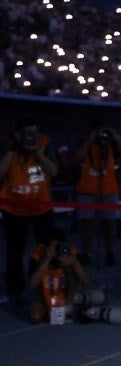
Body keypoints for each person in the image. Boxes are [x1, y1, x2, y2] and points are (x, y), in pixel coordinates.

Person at [1, 117, 58, 306]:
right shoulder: (7, 144)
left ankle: (44, 285)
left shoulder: (44, 143)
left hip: (41, 206)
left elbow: (53, 171)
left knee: (44, 249)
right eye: (27, 134)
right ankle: (15, 290)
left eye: (34, 133)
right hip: (14, 208)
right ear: (17, 134)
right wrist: (12, 150)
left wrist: (38, 153)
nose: (31, 137)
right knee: (15, 251)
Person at [75, 124, 121, 267]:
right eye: (98, 133)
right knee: (86, 225)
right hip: (86, 190)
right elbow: (78, 156)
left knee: (110, 224)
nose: (101, 136)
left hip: (109, 190)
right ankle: (87, 253)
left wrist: (114, 136)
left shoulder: (111, 144)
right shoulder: (86, 144)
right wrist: (89, 141)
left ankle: (110, 253)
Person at [25, 229, 91, 324]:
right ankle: (50, 308)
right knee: (35, 317)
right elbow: (32, 285)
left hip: (65, 289)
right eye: (53, 246)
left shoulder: (70, 252)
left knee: (71, 271)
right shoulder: (38, 254)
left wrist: (74, 263)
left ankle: (69, 304)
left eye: (58, 245)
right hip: (43, 292)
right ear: (46, 246)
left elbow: (87, 282)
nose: (56, 249)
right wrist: (46, 260)